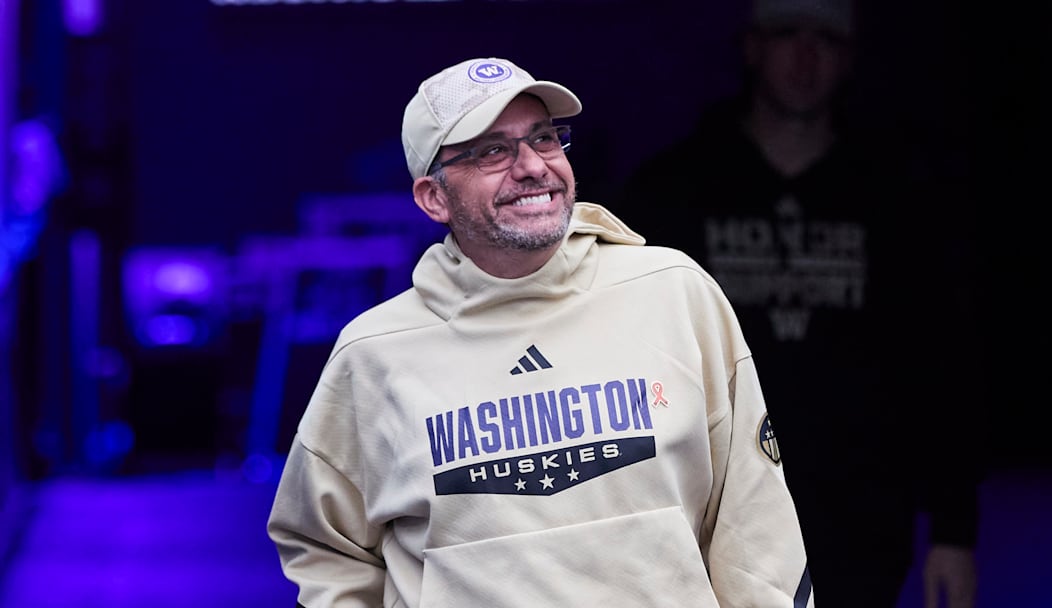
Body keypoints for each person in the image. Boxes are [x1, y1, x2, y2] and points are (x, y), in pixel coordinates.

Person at [267, 56, 815, 607]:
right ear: (434, 197)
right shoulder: (373, 354)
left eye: (545, 139)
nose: (532, 167)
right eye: (492, 151)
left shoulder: (672, 290)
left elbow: (754, 514)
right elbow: (325, 550)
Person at [614, 1, 982, 607]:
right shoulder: (673, 190)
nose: (806, 56)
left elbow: (944, 363)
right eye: (788, 34)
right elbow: (623, 353)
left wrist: (955, 530)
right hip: (706, 513)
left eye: (827, 38)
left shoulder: (900, 197)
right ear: (753, 47)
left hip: (861, 520)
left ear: (849, 59)